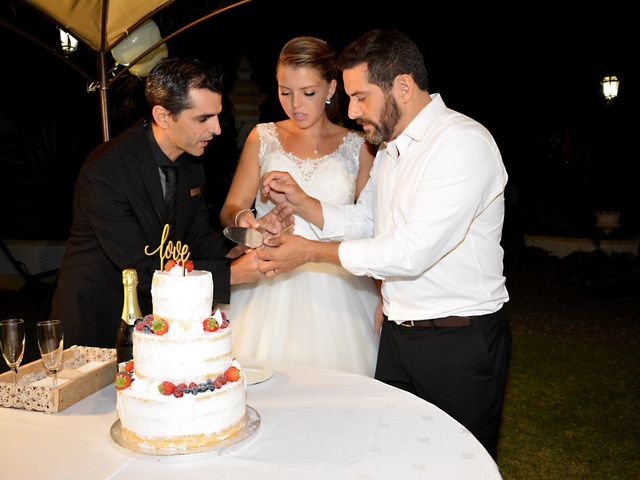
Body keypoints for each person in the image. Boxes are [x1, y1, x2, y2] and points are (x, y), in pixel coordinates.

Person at [257, 29, 511, 459]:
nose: (352, 110)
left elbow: (411, 251)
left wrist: (311, 252)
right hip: (396, 338)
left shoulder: (462, 144)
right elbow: (367, 220)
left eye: (361, 96)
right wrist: (304, 203)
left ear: (403, 86)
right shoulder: (392, 148)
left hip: (458, 341)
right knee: (393, 457)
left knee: (456, 463)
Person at [50, 57, 279, 349]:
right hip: (97, 322)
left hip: (156, 323)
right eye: (203, 118)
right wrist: (233, 274)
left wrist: (245, 243)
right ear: (163, 116)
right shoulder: (106, 170)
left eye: (217, 115)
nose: (218, 129)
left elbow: (195, 238)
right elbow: (140, 269)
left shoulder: (191, 164)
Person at [219, 36, 380, 376]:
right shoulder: (262, 137)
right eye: (284, 91)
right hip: (267, 280)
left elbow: (370, 225)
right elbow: (232, 205)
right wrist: (247, 221)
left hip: (337, 288)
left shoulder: (360, 146)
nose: (295, 104)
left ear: (331, 88)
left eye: (308, 93)